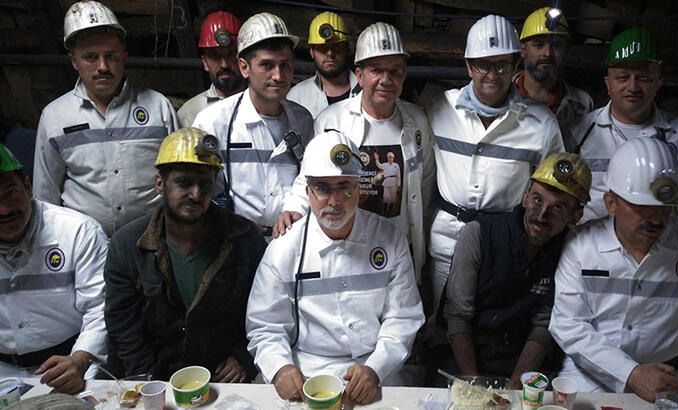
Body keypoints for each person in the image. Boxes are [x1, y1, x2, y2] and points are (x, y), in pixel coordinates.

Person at [247, 131, 424, 404]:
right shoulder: (283, 250)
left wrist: (375, 369)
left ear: (359, 189)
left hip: (378, 370)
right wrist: (280, 368)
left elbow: (403, 318)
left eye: (344, 187)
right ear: (307, 192)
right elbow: (266, 326)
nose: (334, 201)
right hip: (309, 375)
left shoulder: (390, 239)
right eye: (322, 188)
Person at [549, 138, 678, 402]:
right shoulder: (582, 247)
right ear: (611, 203)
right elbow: (568, 324)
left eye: (663, 206)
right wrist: (630, 373)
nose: (655, 217)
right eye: (641, 207)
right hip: (590, 378)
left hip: (669, 380)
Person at [275, 22, 435, 283]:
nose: (386, 80)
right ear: (359, 75)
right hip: (350, 247)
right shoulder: (331, 120)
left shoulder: (417, 120)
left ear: (404, 75)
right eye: (376, 70)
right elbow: (310, 176)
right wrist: (293, 209)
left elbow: (426, 184)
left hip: (401, 245)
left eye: (394, 71)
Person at [104, 128, 266, 380]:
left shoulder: (244, 238)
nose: (196, 194)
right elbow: (123, 324)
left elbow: (266, 310)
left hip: (220, 373)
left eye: (205, 184)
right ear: (160, 183)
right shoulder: (127, 245)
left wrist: (245, 356)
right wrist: (146, 378)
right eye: (184, 183)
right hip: (156, 371)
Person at [425, 15, 564, 311]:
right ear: (468, 66)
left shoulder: (541, 124)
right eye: (482, 65)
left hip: (505, 244)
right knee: (444, 320)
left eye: (501, 65)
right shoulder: (439, 109)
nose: (492, 75)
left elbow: (553, 192)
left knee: (492, 323)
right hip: (448, 241)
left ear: (516, 65)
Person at [443, 153, 589, 388]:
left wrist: (515, 386)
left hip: (525, 361)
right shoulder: (479, 233)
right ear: (525, 197)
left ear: (576, 216)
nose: (541, 215)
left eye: (558, 207)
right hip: (467, 355)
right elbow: (458, 315)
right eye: (537, 200)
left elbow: (544, 324)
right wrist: (474, 385)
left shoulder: (570, 251)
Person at [33, 0, 178, 237]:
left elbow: (178, 177)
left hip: (153, 240)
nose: (103, 66)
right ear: (74, 61)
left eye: (111, 56)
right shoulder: (55, 116)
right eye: (91, 57)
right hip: (86, 245)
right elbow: (45, 194)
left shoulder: (158, 106)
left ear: (124, 56)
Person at [565, 27, 678, 225]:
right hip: (588, 242)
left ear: (658, 83)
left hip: (657, 243)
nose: (633, 87)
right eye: (623, 77)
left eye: (644, 78)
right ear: (608, 83)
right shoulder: (578, 133)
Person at [193, 12, 313, 236]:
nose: (278, 76)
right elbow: (200, 186)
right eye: (267, 65)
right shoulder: (213, 121)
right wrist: (228, 221)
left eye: (285, 65)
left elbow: (309, 176)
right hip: (234, 240)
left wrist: (295, 209)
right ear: (244, 67)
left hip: (292, 237)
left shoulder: (303, 120)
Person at [0, 143, 107, 393]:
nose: (3, 209)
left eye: (10, 193)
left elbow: (101, 308)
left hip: (73, 363)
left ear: (28, 187)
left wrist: (80, 359)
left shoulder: (78, 231)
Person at [516, 7, 593, 129]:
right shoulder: (500, 96)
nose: (547, 53)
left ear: (566, 50)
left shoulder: (582, 105)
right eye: (538, 44)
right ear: (523, 49)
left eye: (556, 45)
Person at [177, 11, 246, 128]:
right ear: (205, 62)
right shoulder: (190, 113)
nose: (224, 65)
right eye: (215, 56)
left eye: (231, 54)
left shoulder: (263, 103)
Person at [287, 11, 360, 118]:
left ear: (348, 49)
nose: (330, 53)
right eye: (322, 47)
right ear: (312, 52)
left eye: (337, 46)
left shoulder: (366, 91)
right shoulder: (296, 97)